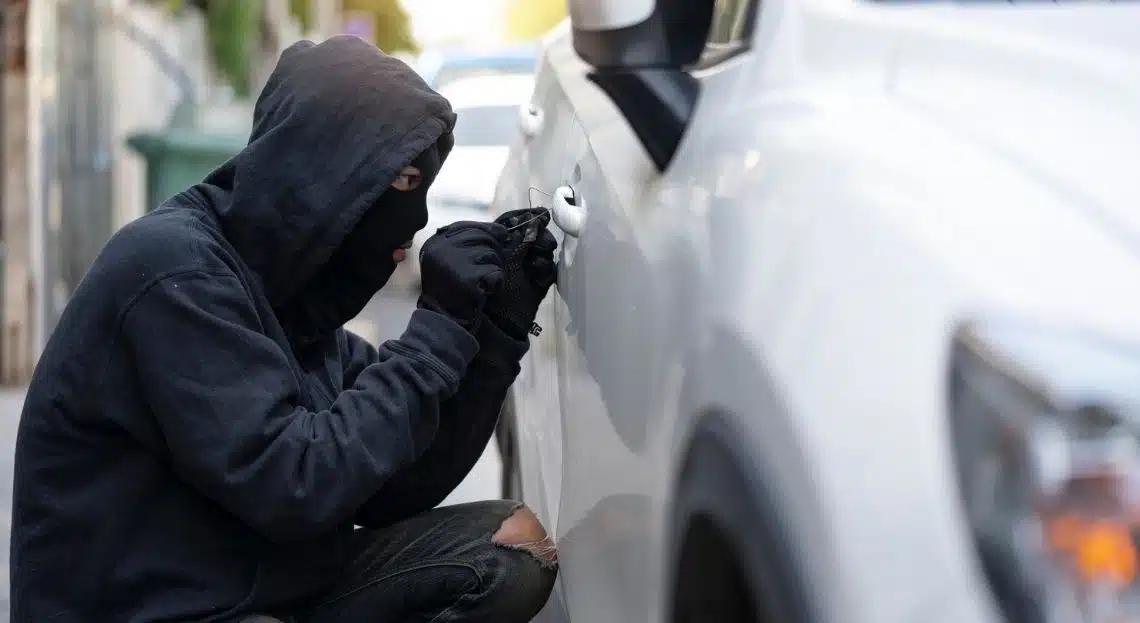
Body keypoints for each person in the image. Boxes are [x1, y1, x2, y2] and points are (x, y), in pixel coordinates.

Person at [9, 36, 559, 623]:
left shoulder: (294, 300)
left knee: (505, 551)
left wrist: (496, 330)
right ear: (326, 173)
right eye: (401, 180)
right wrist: (437, 328)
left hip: (254, 588)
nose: (418, 217)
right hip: (147, 610)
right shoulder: (174, 272)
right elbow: (297, 486)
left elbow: (396, 484)